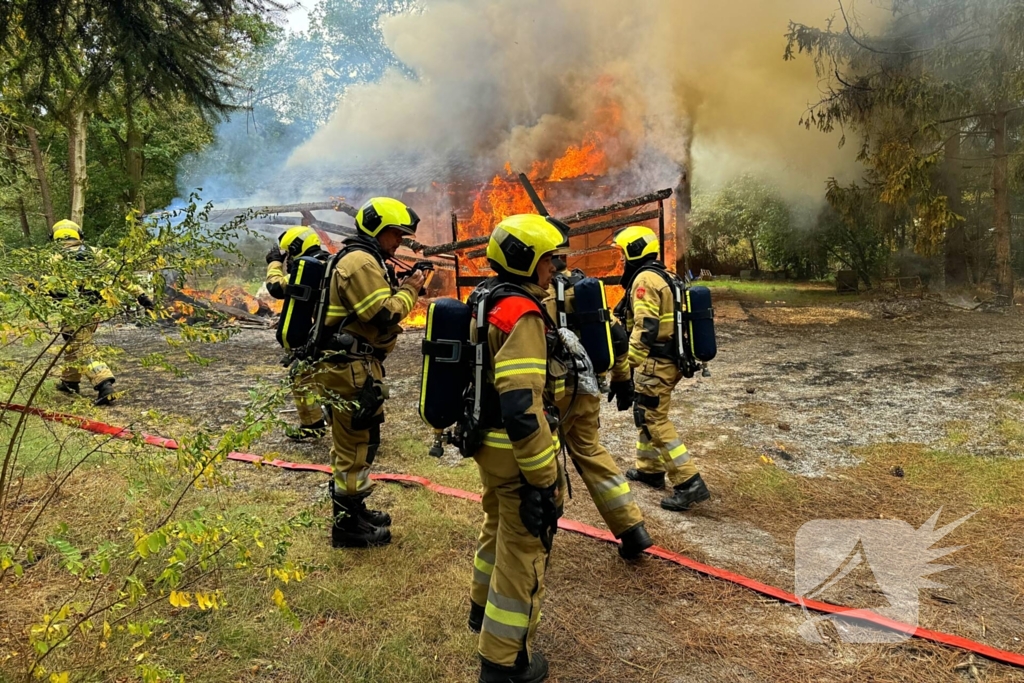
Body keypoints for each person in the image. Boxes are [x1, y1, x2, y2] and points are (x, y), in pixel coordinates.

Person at [467, 214, 567, 683]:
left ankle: (479, 609)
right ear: (527, 261)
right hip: (516, 451)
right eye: (548, 260)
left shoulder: (486, 300)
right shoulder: (521, 314)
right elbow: (522, 408)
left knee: (497, 525)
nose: (553, 269)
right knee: (524, 545)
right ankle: (504, 661)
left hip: (487, 445)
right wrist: (544, 480)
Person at [316, 197, 425, 548]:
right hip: (349, 369)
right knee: (354, 447)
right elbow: (382, 314)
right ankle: (347, 528)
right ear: (378, 230)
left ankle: (356, 511)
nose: (399, 242)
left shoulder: (365, 259)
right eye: (396, 234)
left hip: (355, 367)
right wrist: (411, 289)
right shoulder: (361, 262)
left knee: (362, 443)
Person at [532, 261, 653, 561]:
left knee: (545, 453)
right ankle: (632, 528)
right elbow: (619, 338)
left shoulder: (533, 293)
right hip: (586, 391)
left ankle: (545, 526)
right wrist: (623, 380)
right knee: (591, 453)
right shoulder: (584, 291)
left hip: (552, 393)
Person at [612, 225, 710, 512]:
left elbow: (646, 326)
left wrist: (627, 362)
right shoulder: (663, 274)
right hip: (667, 360)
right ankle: (649, 469)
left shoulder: (644, 279)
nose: (621, 261)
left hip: (656, 361)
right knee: (645, 413)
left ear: (633, 251)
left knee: (654, 418)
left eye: (622, 253)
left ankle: (689, 482)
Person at [50, 219, 153, 406]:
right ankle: (70, 381)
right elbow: (121, 276)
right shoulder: (95, 253)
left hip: (71, 311)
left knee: (82, 347)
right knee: (76, 344)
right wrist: (141, 295)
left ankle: (104, 383)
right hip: (93, 310)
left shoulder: (53, 259)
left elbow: (42, 286)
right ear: (79, 235)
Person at [265, 226, 329, 440]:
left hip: (317, 336)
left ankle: (313, 425)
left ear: (296, 248)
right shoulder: (331, 263)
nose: (289, 259)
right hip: (333, 330)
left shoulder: (308, 269)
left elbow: (276, 287)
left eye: (289, 254)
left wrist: (274, 263)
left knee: (300, 376)